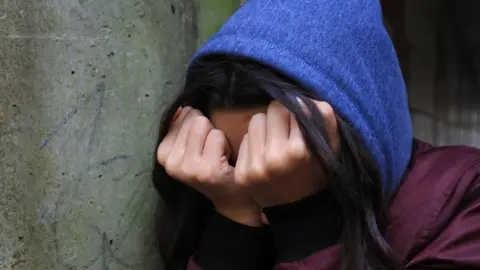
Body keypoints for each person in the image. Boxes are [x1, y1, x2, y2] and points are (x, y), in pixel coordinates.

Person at [152, 0, 480, 269]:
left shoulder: (465, 200)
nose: (259, 176)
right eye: (237, 162)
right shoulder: (226, 204)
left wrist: (305, 222)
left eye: (294, 157)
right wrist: (233, 226)